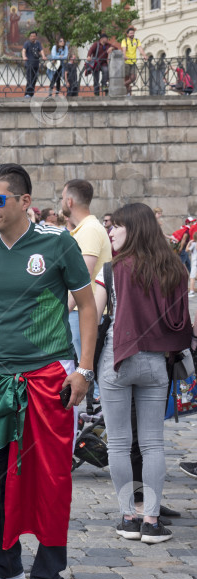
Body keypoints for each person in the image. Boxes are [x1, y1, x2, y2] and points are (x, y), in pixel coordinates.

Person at [0, 163, 96, 579]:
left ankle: (48, 578)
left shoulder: (58, 243)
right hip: (1, 378)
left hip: (49, 377)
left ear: (23, 202)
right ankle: (3, 566)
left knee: (51, 481)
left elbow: (86, 304)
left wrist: (85, 370)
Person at [94, 204, 191, 544]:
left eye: (116, 227)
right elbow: (182, 322)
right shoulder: (174, 269)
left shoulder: (112, 270)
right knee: (152, 443)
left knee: (119, 443)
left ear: (132, 230)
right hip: (155, 361)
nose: (111, 232)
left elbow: (92, 313)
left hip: (116, 359)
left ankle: (128, 517)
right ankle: (151, 520)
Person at [61, 179, 112, 361]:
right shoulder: (86, 229)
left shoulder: (89, 230)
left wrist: (62, 313)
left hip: (83, 312)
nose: (61, 202)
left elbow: (81, 279)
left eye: (62, 197)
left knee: (90, 373)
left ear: (69, 201)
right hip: (83, 310)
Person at [22, 31, 45, 98]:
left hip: (36, 64)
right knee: (29, 79)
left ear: (36, 37)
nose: (32, 37)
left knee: (34, 80)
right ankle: (27, 94)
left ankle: (31, 94)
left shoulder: (38, 43)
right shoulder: (27, 43)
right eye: (31, 36)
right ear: (30, 37)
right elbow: (23, 50)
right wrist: (24, 57)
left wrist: (43, 56)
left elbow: (41, 50)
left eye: (34, 36)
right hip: (29, 64)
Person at [121, 27, 141, 96]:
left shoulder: (137, 41)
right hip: (126, 62)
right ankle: (128, 93)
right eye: (131, 33)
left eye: (133, 33)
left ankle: (122, 86)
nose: (132, 34)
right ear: (127, 34)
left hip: (133, 62)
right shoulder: (125, 41)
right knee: (126, 78)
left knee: (133, 78)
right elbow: (124, 49)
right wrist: (124, 56)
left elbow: (140, 49)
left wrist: (144, 55)